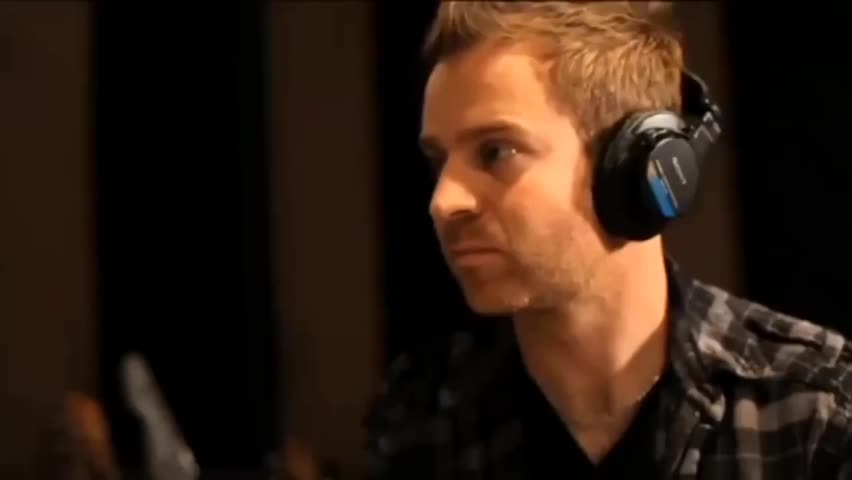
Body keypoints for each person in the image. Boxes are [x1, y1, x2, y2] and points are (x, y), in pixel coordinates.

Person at [363, 2, 852, 478]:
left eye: (496, 152)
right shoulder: (418, 426)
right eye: (439, 162)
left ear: (634, 166)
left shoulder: (816, 412)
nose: (444, 201)